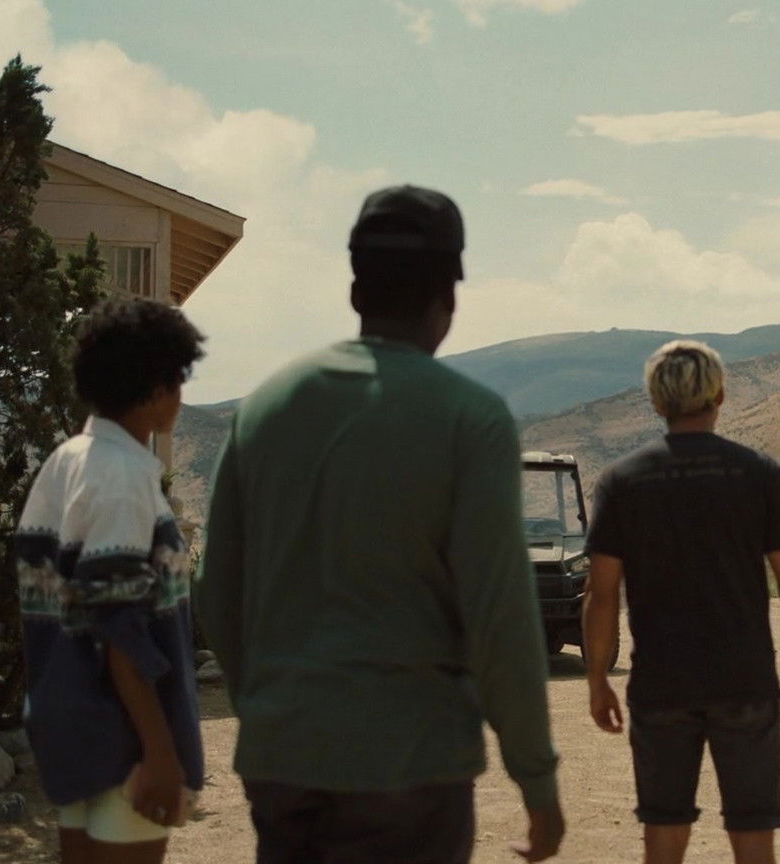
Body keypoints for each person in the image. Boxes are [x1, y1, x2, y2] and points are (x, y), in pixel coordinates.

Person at [195, 185, 565, 864]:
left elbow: (214, 591)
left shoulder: (264, 410)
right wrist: (536, 780)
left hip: (284, 762)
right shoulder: (470, 419)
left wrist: (273, 706)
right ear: (448, 298)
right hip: (411, 767)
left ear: (355, 290)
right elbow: (499, 618)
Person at [582, 339, 780, 864]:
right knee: (754, 835)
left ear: (656, 401)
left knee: (664, 833)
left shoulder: (622, 481)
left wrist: (597, 679)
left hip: (661, 686)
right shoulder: (758, 472)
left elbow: (602, 595)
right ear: (719, 395)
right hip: (745, 680)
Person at [15, 296, 208, 864]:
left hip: (70, 723)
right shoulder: (122, 477)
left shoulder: (66, 463)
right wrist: (161, 751)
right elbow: (119, 621)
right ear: (156, 388)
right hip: (123, 738)